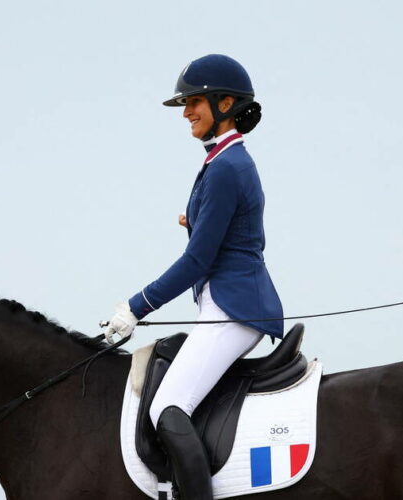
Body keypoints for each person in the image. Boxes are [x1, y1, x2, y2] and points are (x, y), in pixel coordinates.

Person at [104, 54, 284, 500]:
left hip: (235, 308)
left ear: (225, 103)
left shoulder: (226, 167)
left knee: (166, 407)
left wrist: (136, 306)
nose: (186, 112)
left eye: (193, 102)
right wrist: (199, 223)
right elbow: (233, 234)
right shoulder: (221, 162)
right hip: (226, 302)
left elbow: (197, 262)